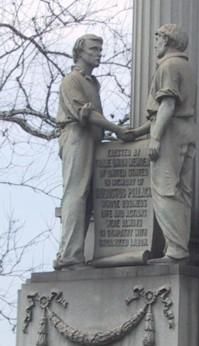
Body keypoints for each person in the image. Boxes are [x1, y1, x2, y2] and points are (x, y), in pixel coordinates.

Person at [54, 34, 127, 270]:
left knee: (86, 197)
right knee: (76, 194)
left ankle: (69, 254)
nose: (98, 53)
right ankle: (69, 256)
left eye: (100, 49)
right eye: (94, 49)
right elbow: (85, 115)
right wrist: (117, 129)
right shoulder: (71, 80)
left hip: (92, 139)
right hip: (77, 136)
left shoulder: (93, 83)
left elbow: (95, 116)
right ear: (80, 51)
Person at [127, 24, 197, 264]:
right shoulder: (185, 66)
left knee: (165, 190)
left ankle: (176, 250)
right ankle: (178, 246)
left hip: (170, 133)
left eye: (157, 38)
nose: (155, 43)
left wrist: (155, 137)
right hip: (185, 131)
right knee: (183, 192)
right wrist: (139, 131)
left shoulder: (168, 66)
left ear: (167, 40)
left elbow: (167, 106)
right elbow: (167, 110)